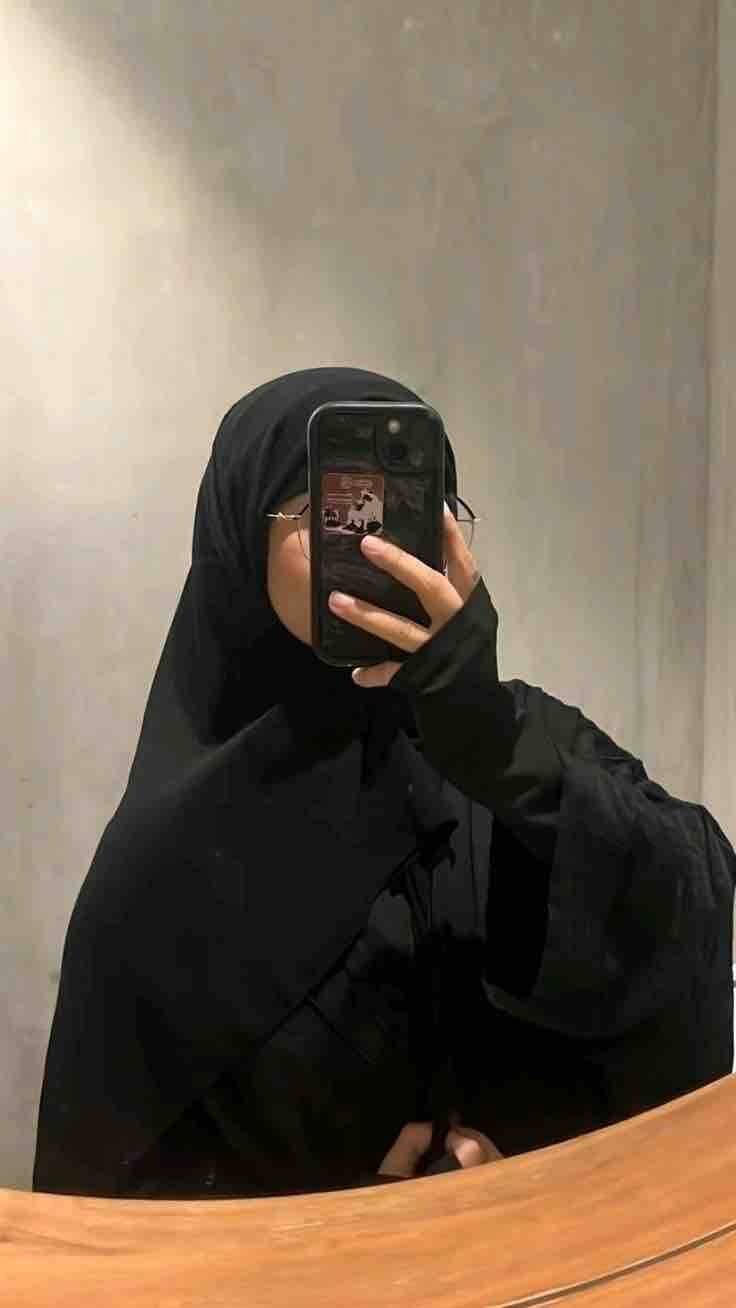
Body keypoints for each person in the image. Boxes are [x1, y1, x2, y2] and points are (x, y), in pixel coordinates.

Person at [32, 367, 735, 1201]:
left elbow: (695, 912)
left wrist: (502, 750)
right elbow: (111, 1209)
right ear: (238, 543)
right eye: (333, 514)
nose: (377, 548)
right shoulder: (167, 856)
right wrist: (353, 1229)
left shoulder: (508, 731)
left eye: (410, 510)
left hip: (550, 1251)